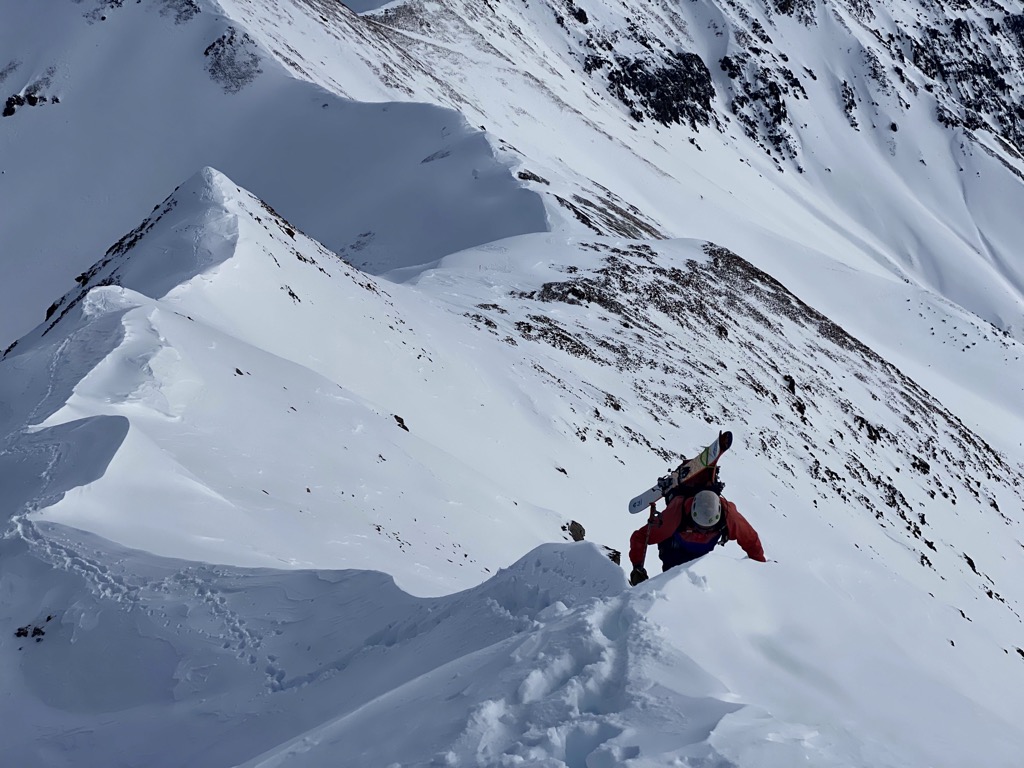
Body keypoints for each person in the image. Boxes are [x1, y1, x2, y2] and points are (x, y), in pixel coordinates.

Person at [628, 489, 765, 585]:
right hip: (674, 549)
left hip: (700, 554)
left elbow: (751, 540)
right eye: (698, 527)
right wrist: (637, 567)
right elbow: (640, 538)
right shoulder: (673, 517)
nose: (703, 531)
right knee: (672, 582)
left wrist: (762, 568)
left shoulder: (729, 517)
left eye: (708, 528)